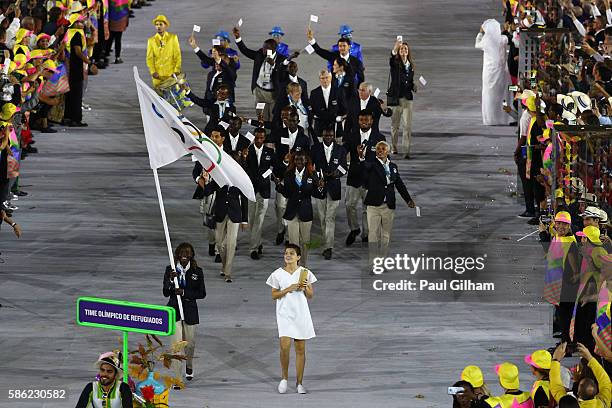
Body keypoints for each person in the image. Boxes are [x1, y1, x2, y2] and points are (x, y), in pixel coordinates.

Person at [266, 244, 317, 394]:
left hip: (301, 314)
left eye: (292, 253)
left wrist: (305, 287)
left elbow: (310, 295)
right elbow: (274, 295)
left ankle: (299, 383)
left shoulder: (305, 273)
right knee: (284, 346)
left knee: (300, 349)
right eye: (286, 253)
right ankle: (284, 378)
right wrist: (289, 288)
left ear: (298, 257)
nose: (288, 255)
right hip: (284, 314)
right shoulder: (277, 274)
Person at [202, 126, 248, 282]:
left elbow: (245, 198)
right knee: (220, 245)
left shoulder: (240, 178)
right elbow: (209, 190)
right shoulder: (219, 176)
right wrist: (206, 179)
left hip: (235, 214)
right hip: (220, 213)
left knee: (231, 244)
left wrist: (245, 219)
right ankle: (224, 265)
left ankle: (228, 272)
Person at [360, 141, 415, 267]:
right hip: (373, 206)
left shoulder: (393, 167)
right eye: (378, 149)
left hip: (388, 206)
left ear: (388, 151)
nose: (380, 151)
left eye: (383, 149)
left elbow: (400, 185)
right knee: (373, 235)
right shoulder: (372, 165)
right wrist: (361, 158)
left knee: (386, 235)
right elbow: (365, 168)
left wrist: (408, 200)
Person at [163, 242, 206, 386]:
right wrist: (170, 280)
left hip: (190, 312)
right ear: (177, 256)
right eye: (181, 255)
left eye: (187, 255)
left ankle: (189, 364)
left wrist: (185, 292)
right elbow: (165, 292)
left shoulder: (197, 272)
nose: (184, 257)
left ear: (191, 256)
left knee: (190, 344)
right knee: (176, 346)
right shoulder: (171, 270)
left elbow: (202, 293)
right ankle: (177, 378)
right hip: (174, 311)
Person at [274, 152, 325, 266]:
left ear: (306, 161)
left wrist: (321, 187)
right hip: (292, 212)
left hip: (306, 213)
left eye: (301, 160)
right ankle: (294, 266)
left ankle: (304, 265)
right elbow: (287, 194)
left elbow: (317, 194)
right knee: (293, 243)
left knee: (305, 242)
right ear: (294, 161)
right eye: (297, 160)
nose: (299, 162)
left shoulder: (312, 174)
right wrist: (279, 186)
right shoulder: (288, 174)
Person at [345, 110, 385, 246]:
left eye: (367, 120)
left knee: (366, 209)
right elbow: (343, 151)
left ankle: (366, 234)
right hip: (354, 177)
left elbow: (382, 160)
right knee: (349, 205)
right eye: (361, 120)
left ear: (372, 121)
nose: (364, 123)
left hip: (370, 180)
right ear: (358, 121)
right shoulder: (352, 136)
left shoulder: (380, 138)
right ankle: (354, 229)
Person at [539, 211, 580, 343]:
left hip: (565, 288)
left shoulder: (571, 243)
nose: (561, 226)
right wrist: (544, 233)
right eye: (558, 223)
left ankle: (566, 346)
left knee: (565, 317)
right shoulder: (558, 237)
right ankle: (564, 342)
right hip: (557, 286)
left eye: (564, 224)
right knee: (562, 318)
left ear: (569, 226)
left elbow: (574, 270)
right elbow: (550, 253)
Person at [232, 26, 287, 122]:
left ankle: (271, 136)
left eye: (266, 48)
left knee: (272, 118)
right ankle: (262, 135)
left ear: (273, 49)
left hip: (273, 94)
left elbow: (283, 76)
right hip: (259, 92)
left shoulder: (281, 59)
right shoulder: (259, 54)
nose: (263, 49)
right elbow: (245, 51)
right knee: (261, 118)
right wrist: (238, 38)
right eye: (263, 47)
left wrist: (274, 66)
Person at [311, 127, 347, 260]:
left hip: (334, 187)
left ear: (334, 136)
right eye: (326, 135)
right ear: (322, 135)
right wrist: (316, 179)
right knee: (322, 218)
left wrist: (337, 173)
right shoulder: (315, 149)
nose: (328, 137)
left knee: (329, 218)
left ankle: (328, 247)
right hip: (319, 188)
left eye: (330, 135)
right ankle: (327, 242)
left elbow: (344, 167)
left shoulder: (341, 150)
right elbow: (311, 166)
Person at [245, 127, 277, 259]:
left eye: (261, 138)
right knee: (251, 220)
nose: (259, 140)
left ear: (264, 139)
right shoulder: (247, 151)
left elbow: (276, 166)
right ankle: (258, 243)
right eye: (257, 138)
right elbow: (243, 168)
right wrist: (243, 157)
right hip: (251, 189)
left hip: (264, 189)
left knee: (259, 219)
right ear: (254, 137)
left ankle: (253, 249)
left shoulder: (270, 151)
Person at [551, 342, 611, 407]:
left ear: (578, 393)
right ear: (596, 390)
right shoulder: (603, 402)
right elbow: (605, 382)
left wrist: (556, 360)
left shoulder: (569, 405)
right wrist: (590, 358)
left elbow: (556, 388)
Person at [474, 19, 511, 125]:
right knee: (501, 94)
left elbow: (477, 44)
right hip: (500, 72)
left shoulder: (485, 40)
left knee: (489, 95)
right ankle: (502, 117)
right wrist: (506, 30)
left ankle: (490, 119)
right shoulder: (502, 39)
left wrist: (480, 32)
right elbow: (510, 39)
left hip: (488, 73)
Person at [388, 38, 416, 158]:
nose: (403, 50)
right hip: (396, 98)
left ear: (408, 51)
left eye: (405, 48)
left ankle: (406, 150)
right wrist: (395, 46)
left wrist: (413, 85)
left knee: (407, 126)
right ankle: (394, 146)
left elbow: (409, 81)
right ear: (399, 52)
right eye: (401, 49)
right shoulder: (395, 63)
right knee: (395, 125)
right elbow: (392, 56)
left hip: (407, 99)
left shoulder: (411, 66)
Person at [63, 13, 89, 127]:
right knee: (77, 94)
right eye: (80, 22)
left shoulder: (69, 33)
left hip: (69, 66)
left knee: (70, 93)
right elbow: (78, 52)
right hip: (76, 67)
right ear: (74, 23)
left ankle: (68, 117)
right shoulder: (77, 35)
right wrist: (89, 62)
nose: (82, 24)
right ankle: (76, 119)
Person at [146, 15, 181, 89]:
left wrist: (177, 70)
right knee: (159, 96)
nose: (158, 27)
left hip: (171, 74)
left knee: (175, 95)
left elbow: (177, 55)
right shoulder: (151, 40)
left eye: (161, 24)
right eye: (156, 25)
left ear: (165, 25)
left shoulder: (173, 38)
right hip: (158, 75)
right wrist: (153, 71)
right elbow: (149, 58)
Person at [310, 69, 346, 142]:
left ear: (331, 78)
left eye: (327, 77)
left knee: (337, 151)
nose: (325, 80)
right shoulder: (314, 93)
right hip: (320, 128)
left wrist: (339, 117)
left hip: (336, 128)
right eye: (322, 78)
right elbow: (312, 110)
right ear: (319, 79)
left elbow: (344, 109)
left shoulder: (339, 91)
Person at [106, 0, 129, 64]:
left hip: (111, 18)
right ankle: (117, 57)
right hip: (121, 18)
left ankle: (106, 54)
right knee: (118, 39)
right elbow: (126, 8)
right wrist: (127, 21)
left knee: (110, 37)